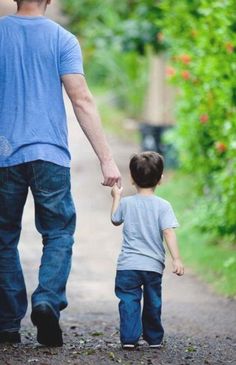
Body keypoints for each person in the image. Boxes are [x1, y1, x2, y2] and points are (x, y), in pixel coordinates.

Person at [0, 0, 121, 347]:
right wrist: (107, 159)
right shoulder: (62, 39)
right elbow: (81, 98)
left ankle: (8, 324)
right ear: (49, 0)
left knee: (4, 237)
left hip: (3, 153)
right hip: (50, 154)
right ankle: (47, 300)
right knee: (57, 233)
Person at [111, 151, 184, 349]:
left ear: (132, 178)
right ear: (160, 179)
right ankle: (153, 338)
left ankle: (129, 338)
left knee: (128, 300)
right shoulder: (163, 206)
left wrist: (116, 196)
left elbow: (115, 219)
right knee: (153, 302)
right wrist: (176, 259)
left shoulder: (126, 203)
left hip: (128, 265)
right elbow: (168, 232)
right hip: (152, 265)